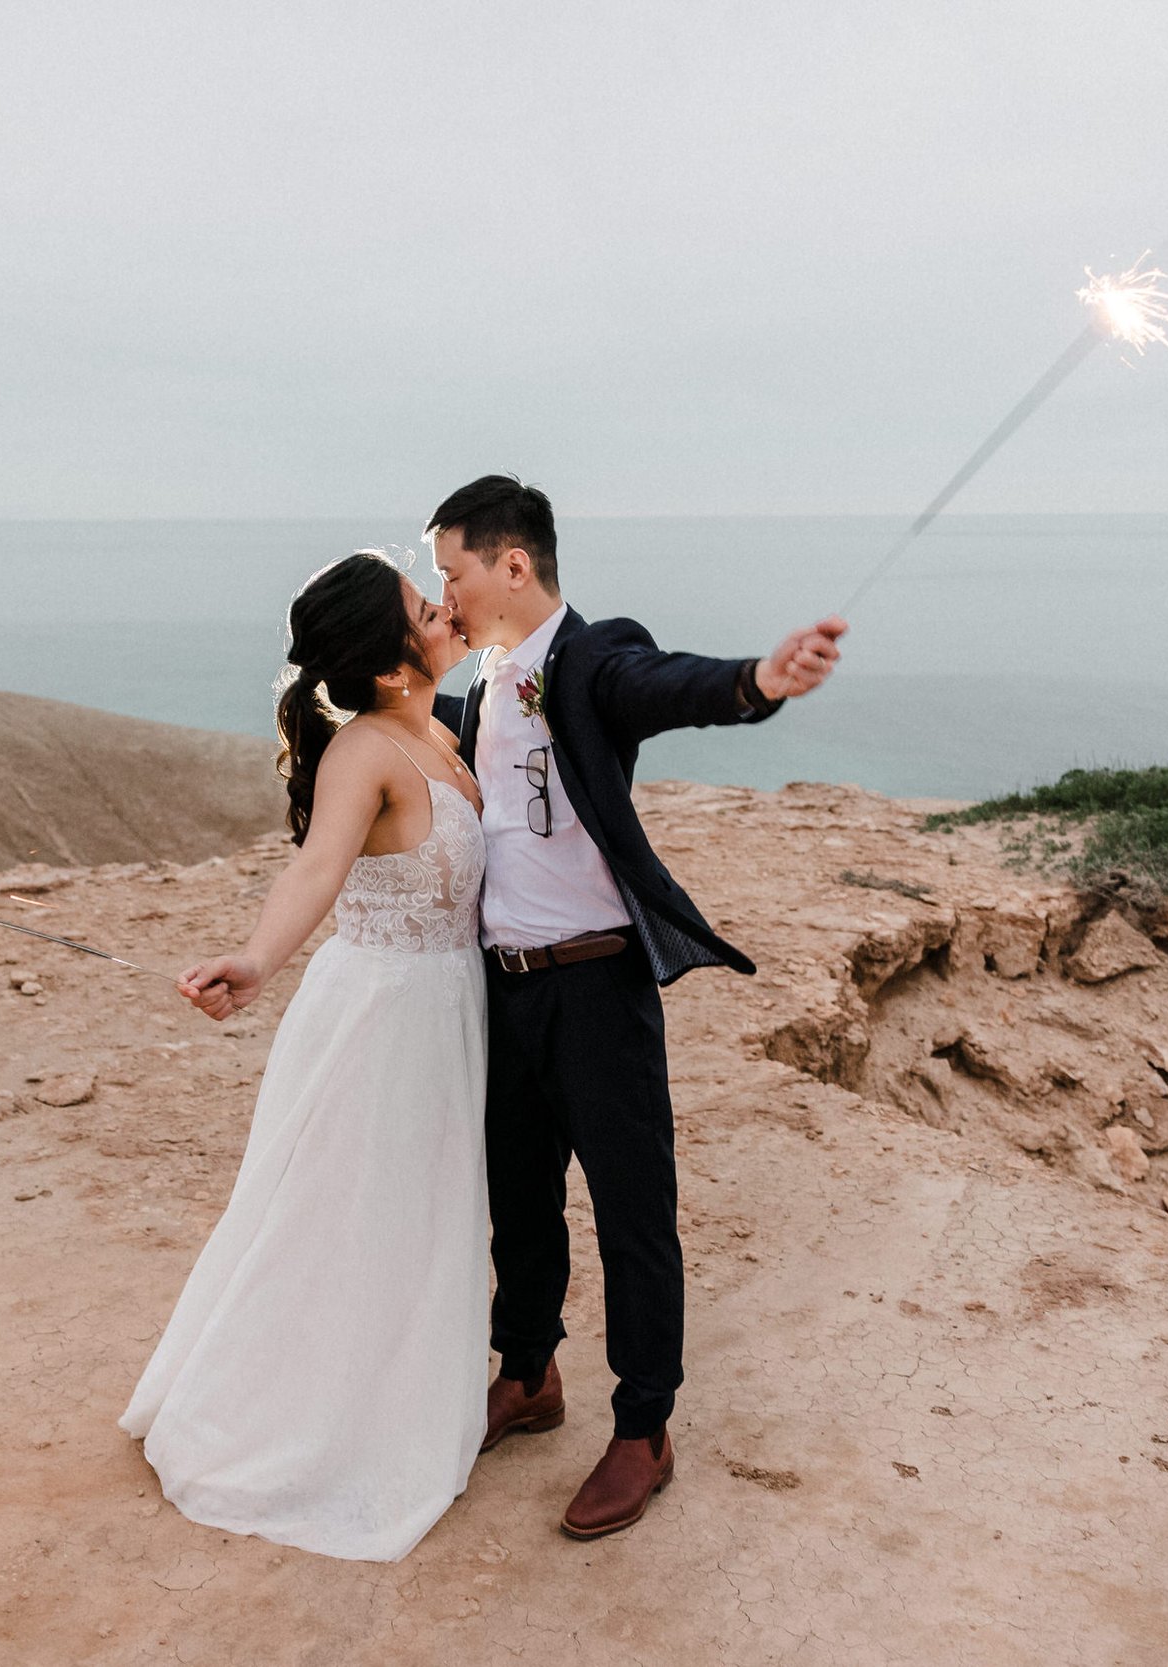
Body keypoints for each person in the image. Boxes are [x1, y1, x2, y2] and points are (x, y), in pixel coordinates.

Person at [427, 475, 844, 1540]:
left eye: (454, 571)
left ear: (512, 564)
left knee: (631, 1209)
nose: (448, 592)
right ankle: (528, 1374)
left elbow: (667, 685)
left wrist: (759, 679)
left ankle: (643, 1427)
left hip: (597, 987)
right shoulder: (475, 692)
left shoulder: (590, 657)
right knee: (517, 1195)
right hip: (503, 987)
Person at [117, 550, 487, 1563]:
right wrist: (255, 959)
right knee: (350, 1213)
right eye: (425, 604)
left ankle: (407, 1394)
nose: (445, 605)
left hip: (449, 1009)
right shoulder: (365, 750)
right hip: (381, 1015)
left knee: (423, 1213)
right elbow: (319, 867)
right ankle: (301, 1426)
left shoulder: (445, 731)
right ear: (384, 662)